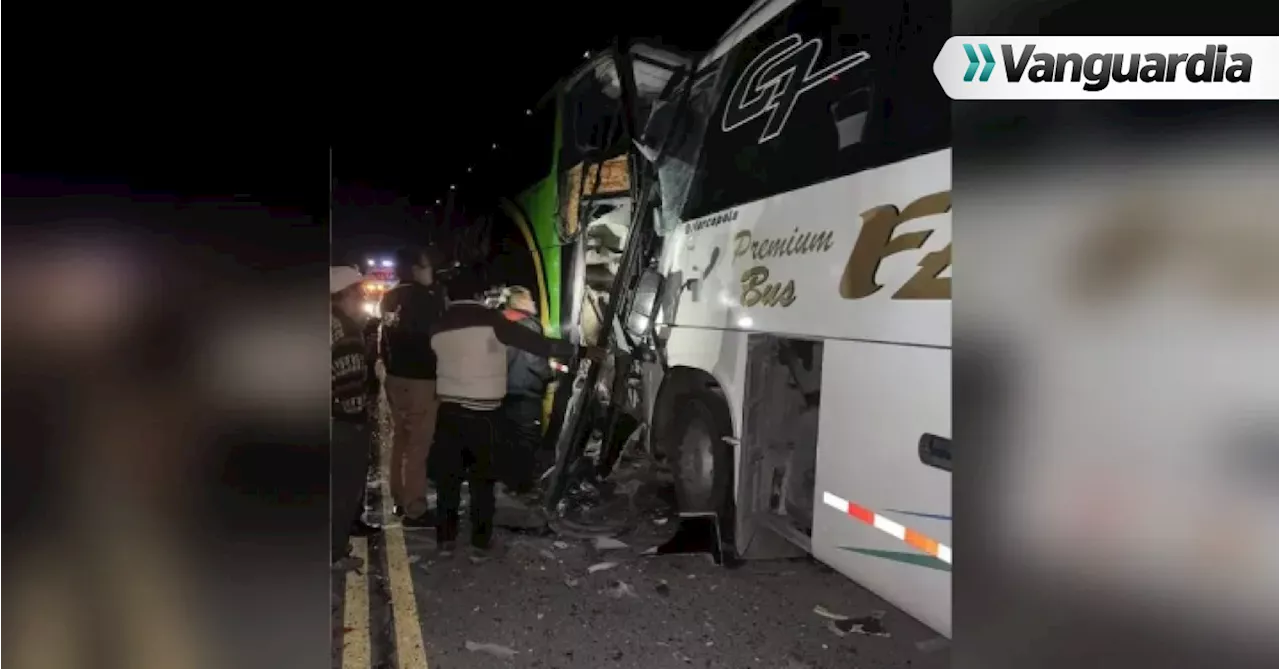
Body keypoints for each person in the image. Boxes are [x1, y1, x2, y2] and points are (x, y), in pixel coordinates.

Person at [429, 271, 604, 561]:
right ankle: (479, 545)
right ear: (478, 296)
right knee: (481, 482)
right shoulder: (492, 321)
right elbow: (541, 345)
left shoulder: (438, 325)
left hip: (448, 412)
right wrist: (584, 351)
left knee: (449, 480)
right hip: (484, 413)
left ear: (449, 296)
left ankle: (445, 540)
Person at [379, 246, 446, 528]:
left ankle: (398, 498)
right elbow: (436, 339)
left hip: (395, 377)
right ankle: (415, 509)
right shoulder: (425, 298)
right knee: (418, 445)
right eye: (429, 266)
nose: (433, 272)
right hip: (420, 379)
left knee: (400, 441)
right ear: (417, 268)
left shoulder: (390, 296)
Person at [331, 266, 381, 571]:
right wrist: (361, 418)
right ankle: (333, 554)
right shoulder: (346, 330)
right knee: (343, 492)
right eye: (359, 293)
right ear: (345, 295)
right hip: (342, 424)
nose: (362, 298)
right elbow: (350, 392)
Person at [498, 286, 555, 496]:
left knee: (508, 438)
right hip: (525, 390)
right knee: (527, 439)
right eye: (530, 298)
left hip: (502, 391)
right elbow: (535, 359)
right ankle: (523, 488)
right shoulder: (529, 325)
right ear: (521, 301)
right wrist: (548, 375)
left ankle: (508, 482)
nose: (533, 302)